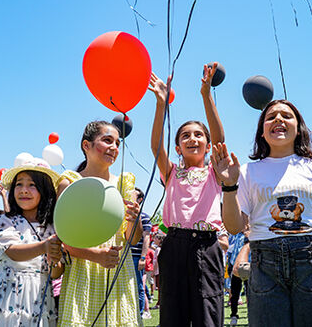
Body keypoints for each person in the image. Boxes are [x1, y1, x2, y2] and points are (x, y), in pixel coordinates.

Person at [214, 99, 312, 326]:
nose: (278, 119)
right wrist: (229, 186)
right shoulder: (246, 172)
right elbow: (234, 227)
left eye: (286, 116)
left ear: (299, 129)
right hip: (264, 268)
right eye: (271, 117)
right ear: (262, 132)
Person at [148, 63, 228, 327]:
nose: (192, 139)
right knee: (172, 315)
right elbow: (156, 146)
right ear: (178, 147)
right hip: (174, 246)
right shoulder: (171, 172)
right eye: (185, 136)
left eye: (198, 135)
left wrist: (206, 94)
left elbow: (220, 141)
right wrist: (161, 105)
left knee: (208, 314)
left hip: (207, 246)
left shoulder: (214, 172)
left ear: (206, 144)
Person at [56, 121, 143, 327]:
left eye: (117, 143)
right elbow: (61, 235)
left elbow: (133, 239)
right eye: (107, 140)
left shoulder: (124, 184)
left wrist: (134, 219)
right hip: (82, 270)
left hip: (118, 271)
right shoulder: (69, 183)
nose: (114, 147)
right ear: (87, 145)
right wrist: (95, 255)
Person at [0, 158, 64, 326]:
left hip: (38, 299)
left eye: (32, 185)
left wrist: (54, 260)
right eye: (19, 185)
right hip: (6, 297)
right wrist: (44, 246)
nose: (24, 190)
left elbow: (56, 273)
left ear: (44, 190)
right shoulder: (6, 221)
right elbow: (12, 251)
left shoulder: (53, 226)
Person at [129, 187, 152, 319]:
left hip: (137, 257)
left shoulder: (144, 217)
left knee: (138, 287)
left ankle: (139, 313)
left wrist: (143, 258)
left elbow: (147, 238)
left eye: (133, 195)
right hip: (125, 257)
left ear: (140, 199)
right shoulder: (124, 214)